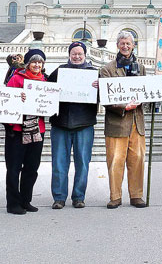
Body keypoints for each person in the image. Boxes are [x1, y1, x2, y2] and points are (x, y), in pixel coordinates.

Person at [47, 41, 99, 209]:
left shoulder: (94, 73)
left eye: (80, 54)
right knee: (59, 162)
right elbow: (46, 91)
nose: (77, 56)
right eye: (74, 54)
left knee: (82, 162)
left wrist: (99, 89)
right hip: (60, 123)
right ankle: (59, 197)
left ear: (85, 55)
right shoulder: (59, 71)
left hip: (84, 124)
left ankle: (78, 196)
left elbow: (103, 97)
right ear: (69, 55)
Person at [99, 31, 148, 209]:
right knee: (115, 161)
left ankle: (136, 195)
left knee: (137, 160)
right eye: (122, 43)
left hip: (137, 122)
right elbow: (105, 97)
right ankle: (115, 196)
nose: (125, 46)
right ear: (117, 46)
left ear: (133, 45)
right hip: (117, 122)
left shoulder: (141, 68)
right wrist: (122, 107)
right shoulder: (107, 69)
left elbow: (146, 91)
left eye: (128, 43)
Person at [4, 48, 47, 214]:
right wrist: (17, 97)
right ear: (28, 64)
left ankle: (26, 199)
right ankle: (13, 203)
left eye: (40, 62)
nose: (37, 64)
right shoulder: (15, 79)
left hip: (37, 129)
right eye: (34, 62)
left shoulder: (45, 81)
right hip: (17, 130)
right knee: (14, 167)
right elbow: (6, 101)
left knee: (31, 167)